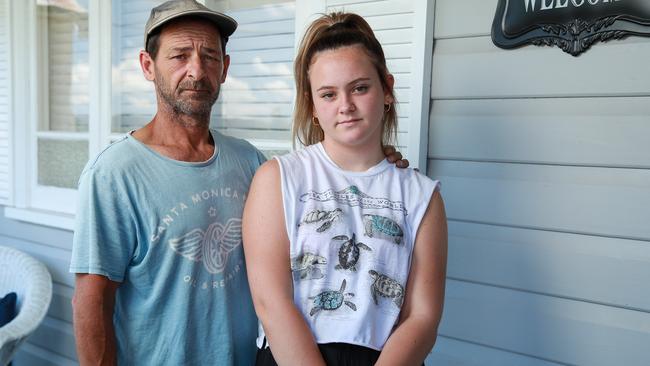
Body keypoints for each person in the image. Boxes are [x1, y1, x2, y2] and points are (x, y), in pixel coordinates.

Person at [69, 1, 408, 365]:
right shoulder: (114, 173)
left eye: (210, 56)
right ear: (147, 66)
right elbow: (92, 300)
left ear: (225, 68)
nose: (196, 70)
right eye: (179, 56)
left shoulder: (249, 162)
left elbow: (321, 193)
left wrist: (375, 165)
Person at [242, 12, 448, 366]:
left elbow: (423, 317)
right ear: (312, 105)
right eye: (328, 94)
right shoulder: (278, 178)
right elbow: (270, 301)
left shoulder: (421, 196)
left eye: (360, 88)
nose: (346, 106)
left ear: (387, 90)